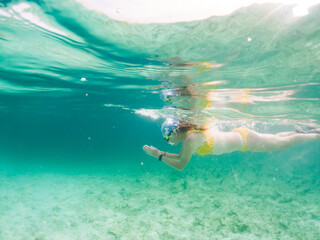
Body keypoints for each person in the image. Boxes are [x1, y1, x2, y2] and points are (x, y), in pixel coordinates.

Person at [143, 118, 320, 171]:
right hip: (241, 137)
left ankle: (315, 135)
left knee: (282, 144)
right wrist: (161, 152)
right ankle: (302, 133)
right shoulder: (190, 138)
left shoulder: (190, 139)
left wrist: (158, 156)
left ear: (175, 132)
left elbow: (181, 165)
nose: (169, 142)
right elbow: (182, 157)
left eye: (167, 138)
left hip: (244, 140)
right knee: (277, 140)